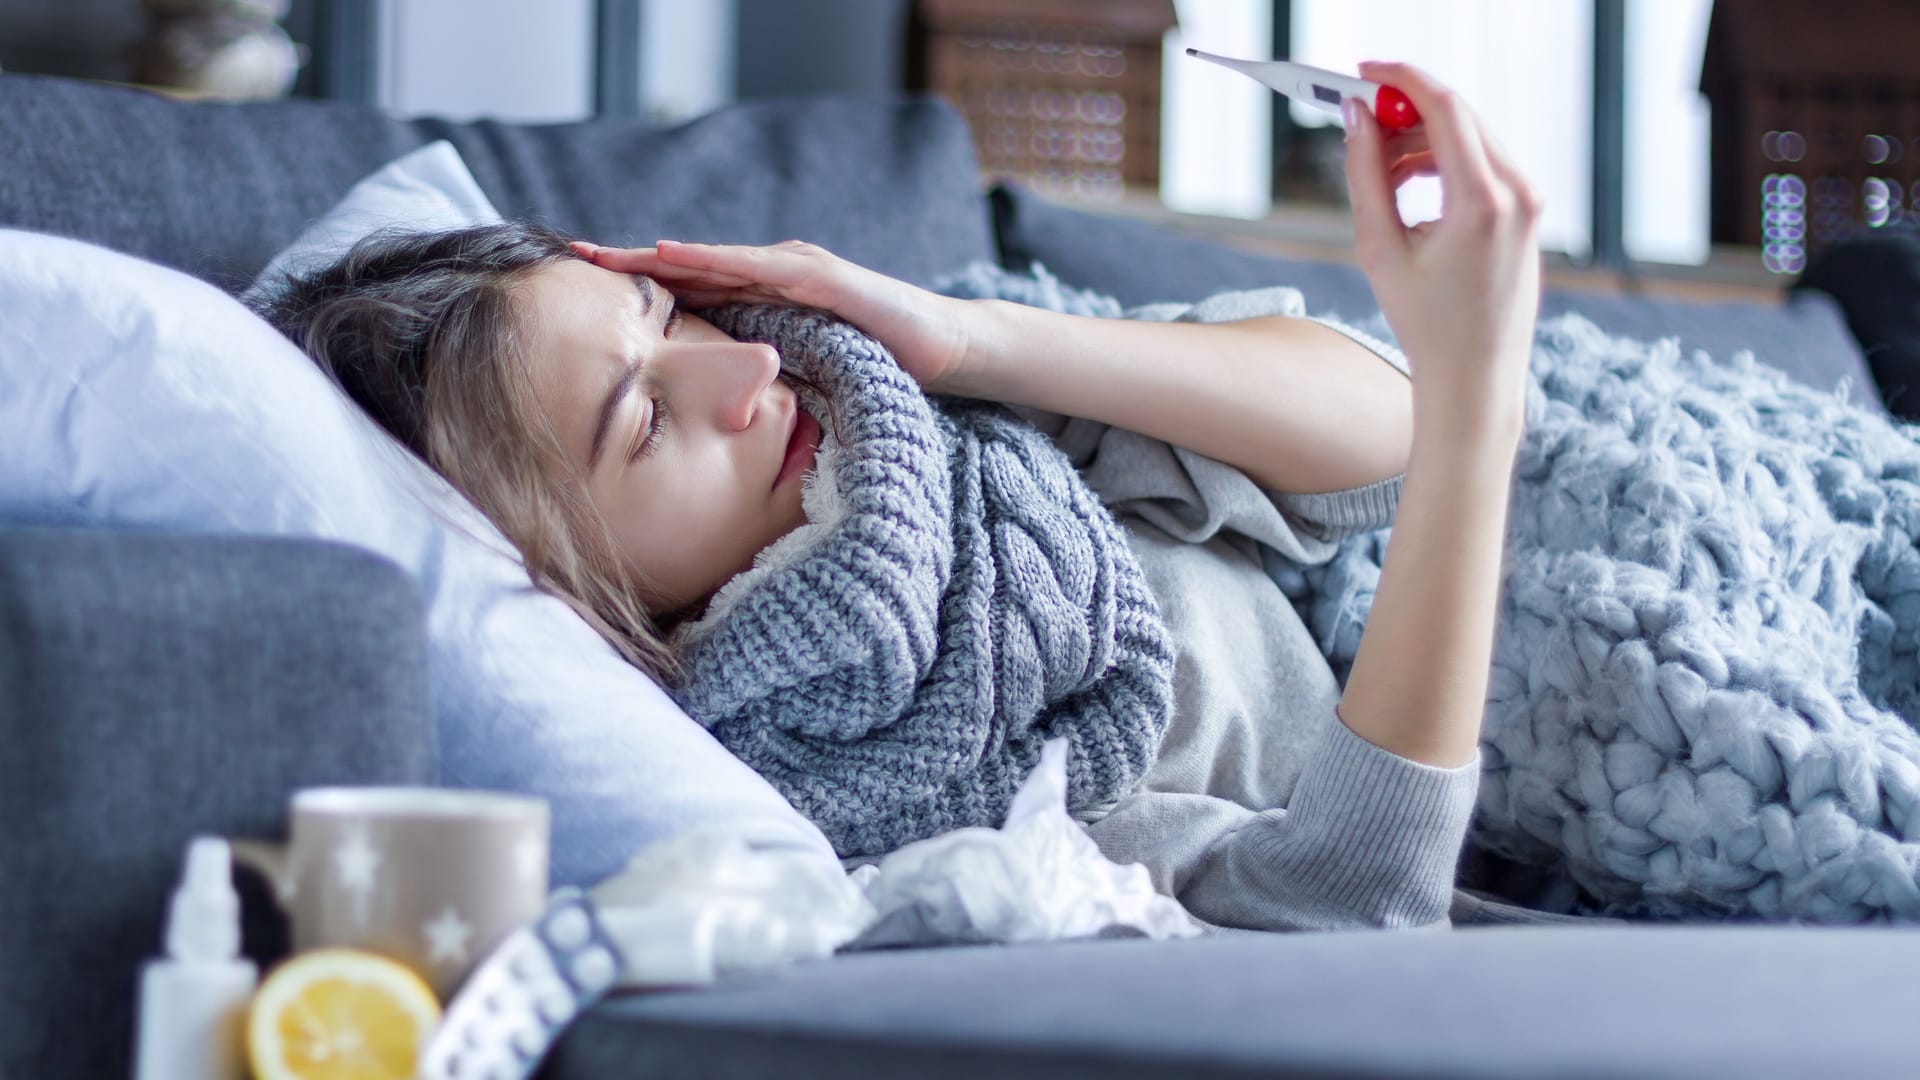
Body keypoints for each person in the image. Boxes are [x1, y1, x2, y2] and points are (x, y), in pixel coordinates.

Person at [255, 62, 1548, 931]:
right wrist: (1478, 388)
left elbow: (1389, 437)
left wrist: (973, 341)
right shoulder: (878, 790)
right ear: (551, 576)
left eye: (666, 314)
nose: (746, 366)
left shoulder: (907, 406)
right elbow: (1344, 914)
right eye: (645, 418)